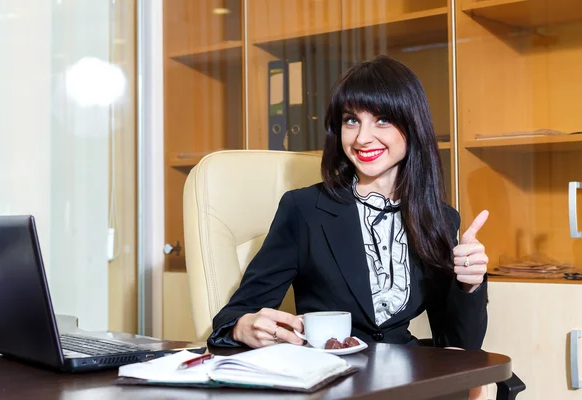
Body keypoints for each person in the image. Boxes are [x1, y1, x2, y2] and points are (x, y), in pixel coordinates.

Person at [208, 55, 489, 356]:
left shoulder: (440, 219)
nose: (362, 138)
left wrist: (469, 286)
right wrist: (244, 326)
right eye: (351, 120)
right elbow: (234, 317)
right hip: (331, 377)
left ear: (412, 124)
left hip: (407, 376)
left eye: (382, 119)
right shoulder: (303, 209)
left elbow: (460, 347)